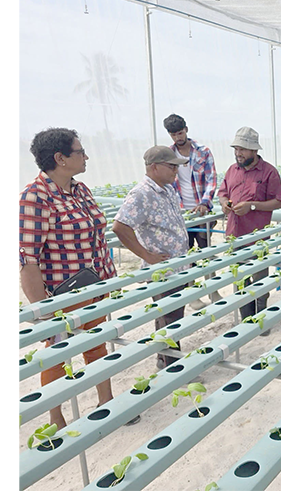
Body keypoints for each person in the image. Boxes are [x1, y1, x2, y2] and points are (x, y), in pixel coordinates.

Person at [19, 127, 119, 430]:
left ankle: (107, 402)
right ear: (60, 158)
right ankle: (56, 416)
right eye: (79, 151)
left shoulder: (80, 190)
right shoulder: (35, 198)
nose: (85, 155)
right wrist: (43, 310)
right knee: (58, 354)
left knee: (96, 343)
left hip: (95, 283)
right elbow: (28, 260)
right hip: (64, 294)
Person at [112, 146, 191, 370]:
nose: (176, 170)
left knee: (171, 316)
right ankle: (173, 367)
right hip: (163, 271)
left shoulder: (167, 189)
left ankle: (163, 359)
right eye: (171, 166)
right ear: (154, 167)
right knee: (170, 319)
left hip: (178, 267)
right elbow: (120, 226)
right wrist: (147, 255)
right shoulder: (141, 193)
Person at [218, 127, 281, 333]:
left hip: (257, 237)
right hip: (234, 236)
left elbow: (278, 201)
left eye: (243, 150)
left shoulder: (268, 172)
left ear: (254, 151)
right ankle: (246, 321)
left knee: (259, 280)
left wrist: (252, 205)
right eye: (237, 149)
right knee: (239, 280)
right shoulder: (231, 170)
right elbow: (222, 193)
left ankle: (261, 319)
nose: (239, 154)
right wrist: (224, 203)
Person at [163, 114, 220, 309]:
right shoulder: (168, 155)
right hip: (180, 215)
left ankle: (212, 289)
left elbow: (212, 179)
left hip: (201, 212)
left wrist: (205, 202)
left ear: (186, 130)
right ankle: (192, 292)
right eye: (173, 134)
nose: (178, 137)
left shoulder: (203, 152)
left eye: (180, 133)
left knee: (206, 251)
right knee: (185, 254)